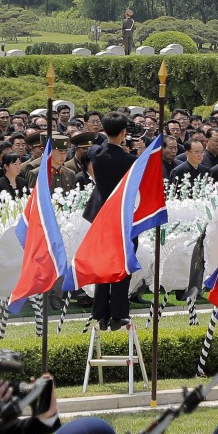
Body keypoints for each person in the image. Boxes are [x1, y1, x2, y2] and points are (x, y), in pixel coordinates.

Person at [86, 112, 138, 331]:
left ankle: (100, 313)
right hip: (121, 217)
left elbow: (93, 147)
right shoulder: (130, 161)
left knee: (102, 265)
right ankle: (118, 313)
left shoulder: (95, 154)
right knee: (121, 266)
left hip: (100, 217)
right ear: (124, 133)